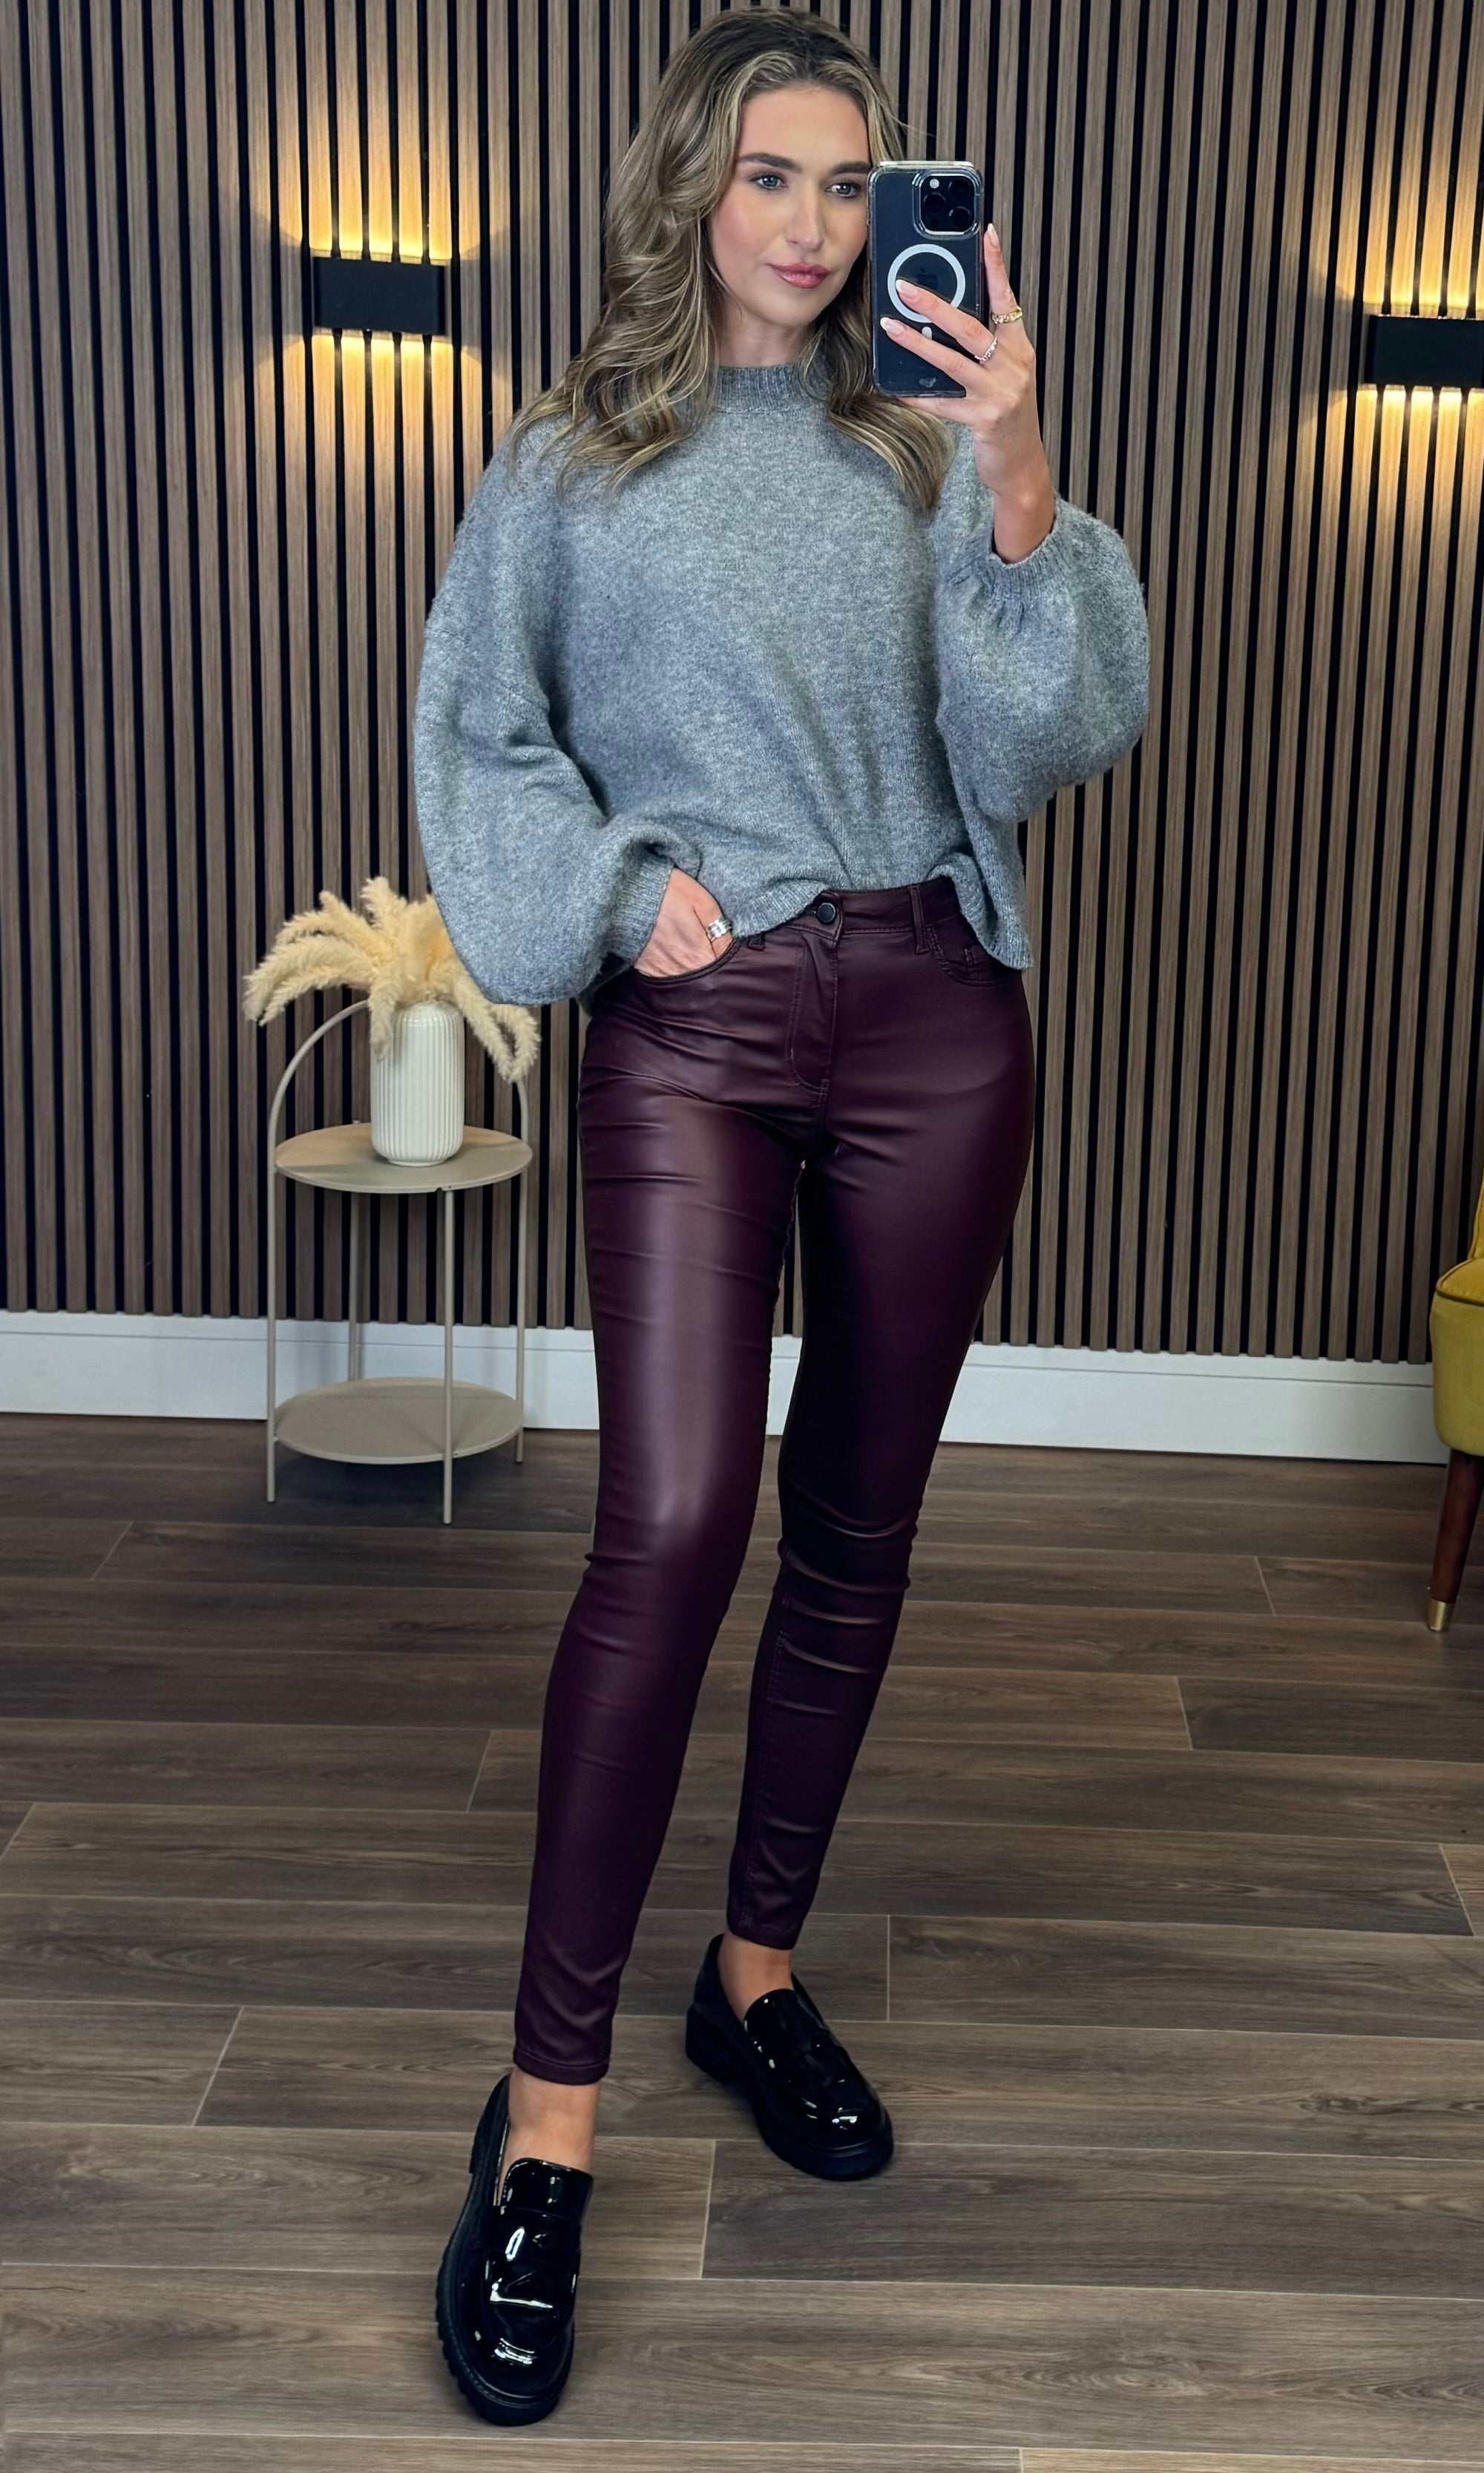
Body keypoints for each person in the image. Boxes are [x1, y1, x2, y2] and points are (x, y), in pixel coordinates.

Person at [413, 8, 1149, 2428]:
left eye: (852, 183)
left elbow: (1049, 739)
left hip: (940, 1012)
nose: (818, 225)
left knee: (858, 1516)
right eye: (773, 176)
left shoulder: (925, 440)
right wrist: (619, 892)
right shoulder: (572, 458)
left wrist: (1018, 467)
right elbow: (482, 737)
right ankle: (543, 2133)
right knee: (672, 1523)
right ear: (692, 190)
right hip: (704, 1026)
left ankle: (751, 1977)